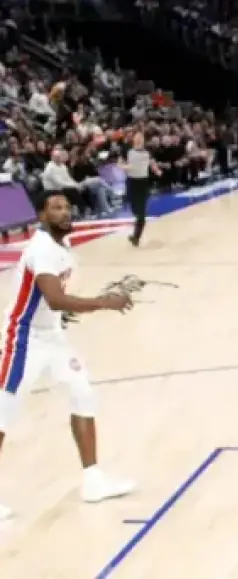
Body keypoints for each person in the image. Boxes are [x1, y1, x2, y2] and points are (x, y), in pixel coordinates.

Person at [0, 191, 134, 521]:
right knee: (3, 415)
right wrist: (104, 302)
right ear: (42, 216)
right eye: (56, 208)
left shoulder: (63, 246)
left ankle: (93, 480)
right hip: (24, 340)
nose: (65, 212)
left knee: (82, 395)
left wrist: (64, 314)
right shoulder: (42, 249)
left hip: (52, 337)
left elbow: (51, 304)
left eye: (67, 207)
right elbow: (56, 299)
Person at [122, 132, 160, 248]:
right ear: (133, 140)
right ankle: (137, 229)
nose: (139, 140)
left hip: (143, 183)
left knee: (141, 214)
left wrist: (156, 170)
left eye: (141, 138)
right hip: (131, 183)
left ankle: (136, 237)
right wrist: (123, 167)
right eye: (137, 138)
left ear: (143, 141)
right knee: (134, 209)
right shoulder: (128, 151)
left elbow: (152, 163)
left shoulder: (147, 152)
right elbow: (124, 164)